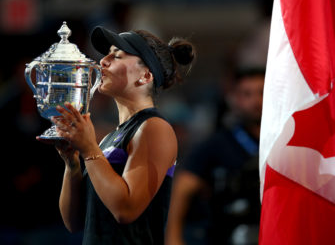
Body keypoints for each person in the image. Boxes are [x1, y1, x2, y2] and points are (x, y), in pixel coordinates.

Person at [38, 26, 195, 244]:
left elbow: (126, 210)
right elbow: (74, 221)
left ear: (145, 75)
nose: (103, 61)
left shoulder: (155, 127)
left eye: (117, 55)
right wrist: (72, 163)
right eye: (107, 54)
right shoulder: (109, 139)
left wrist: (90, 149)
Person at [165, 67, 265, 245]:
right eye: (247, 94)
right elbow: (182, 189)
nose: (256, 101)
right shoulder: (216, 145)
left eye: (262, 93)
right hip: (224, 235)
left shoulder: (283, 143)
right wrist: (174, 238)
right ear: (234, 100)